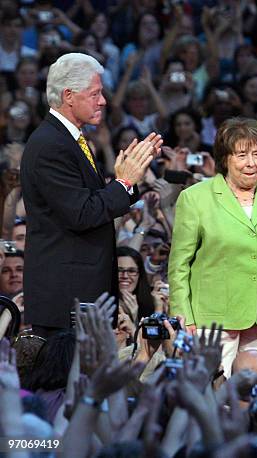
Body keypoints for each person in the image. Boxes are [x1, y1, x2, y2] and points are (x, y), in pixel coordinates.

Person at [20, 53, 162, 337]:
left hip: (79, 296)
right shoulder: (51, 145)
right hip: (65, 298)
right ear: (69, 96)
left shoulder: (69, 140)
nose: (103, 101)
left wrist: (126, 184)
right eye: (95, 93)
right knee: (68, 381)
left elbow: (92, 202)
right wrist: (122, 182)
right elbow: (82, 213)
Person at [169, 117, 257, 376]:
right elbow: (179, 265)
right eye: (241, 155)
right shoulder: (195, 199)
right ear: (225, 159)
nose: (251, 163)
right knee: (215, 397)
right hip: (212, 322)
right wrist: (184, 317)